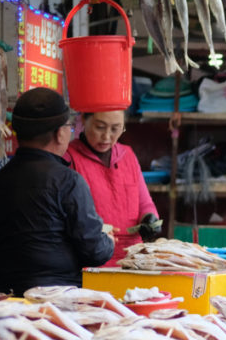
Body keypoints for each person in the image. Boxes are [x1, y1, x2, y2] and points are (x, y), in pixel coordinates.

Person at [0, 88, 114, 295]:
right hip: (57, 300)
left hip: (6, 297)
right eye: (69, 127)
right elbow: (94, 251)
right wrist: (108, 241)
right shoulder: (68, 180)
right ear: (59, 133)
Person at [66, 111, 160, 266]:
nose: (107, 136)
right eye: (100, 127)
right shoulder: (69, 158)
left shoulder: (127, 155)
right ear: (84, 119)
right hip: (92, 261)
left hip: (134, 259)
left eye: (115, 129)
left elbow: (144, 202)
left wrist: (149, 218)